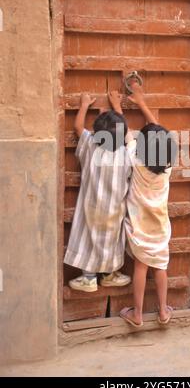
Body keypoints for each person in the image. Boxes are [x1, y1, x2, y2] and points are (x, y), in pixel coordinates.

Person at [120, 82, 177, 326]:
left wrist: (117, 107)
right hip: (160, 227)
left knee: (141, 268)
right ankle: (163, 312)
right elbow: (158, 134)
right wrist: (142, 103)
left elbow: (125, 134)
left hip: (140, 226)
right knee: (161, 268)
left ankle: (138, 314)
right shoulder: (167, 168)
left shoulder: (135, 159)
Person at [64, 91, 131, 292]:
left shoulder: (91, 146)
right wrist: (117, 105)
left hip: (91, 209)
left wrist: (84, 104)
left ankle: (88, 278)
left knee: (88, 238)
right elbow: (127, 135)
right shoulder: (126, 153)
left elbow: (77, 127)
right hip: (115, 210)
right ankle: (109, 275)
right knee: (111, 240)